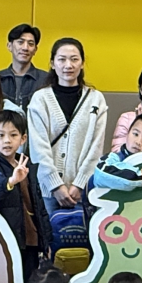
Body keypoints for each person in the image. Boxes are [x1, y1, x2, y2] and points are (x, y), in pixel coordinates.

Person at [27, 37, 108, 218]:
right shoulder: (40, 99)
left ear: (82, 63)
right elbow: (38, 148)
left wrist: (80, 184)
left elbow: (96, 148)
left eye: (74, 59)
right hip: (47, 192)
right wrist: (55, 185)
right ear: (52, 63)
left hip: (84, 192)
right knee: (48, 235)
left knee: (83, 235)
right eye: (62, 59)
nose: (68, 65)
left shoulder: (96, 99)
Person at [0, 110, 51, 280]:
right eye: (1, 135)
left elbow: (39, 207)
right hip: (3, 241)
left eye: (13, 135)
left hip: (31, 241)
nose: (7, 140)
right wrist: (10, 181)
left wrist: (46, 242)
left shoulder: (27, 166)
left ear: (23, 138)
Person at [0, 24, 46, 110]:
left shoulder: (46, 79)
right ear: (9, 46)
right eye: (20, 42)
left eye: (30, 44)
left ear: (35, 50)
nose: (25, 48)